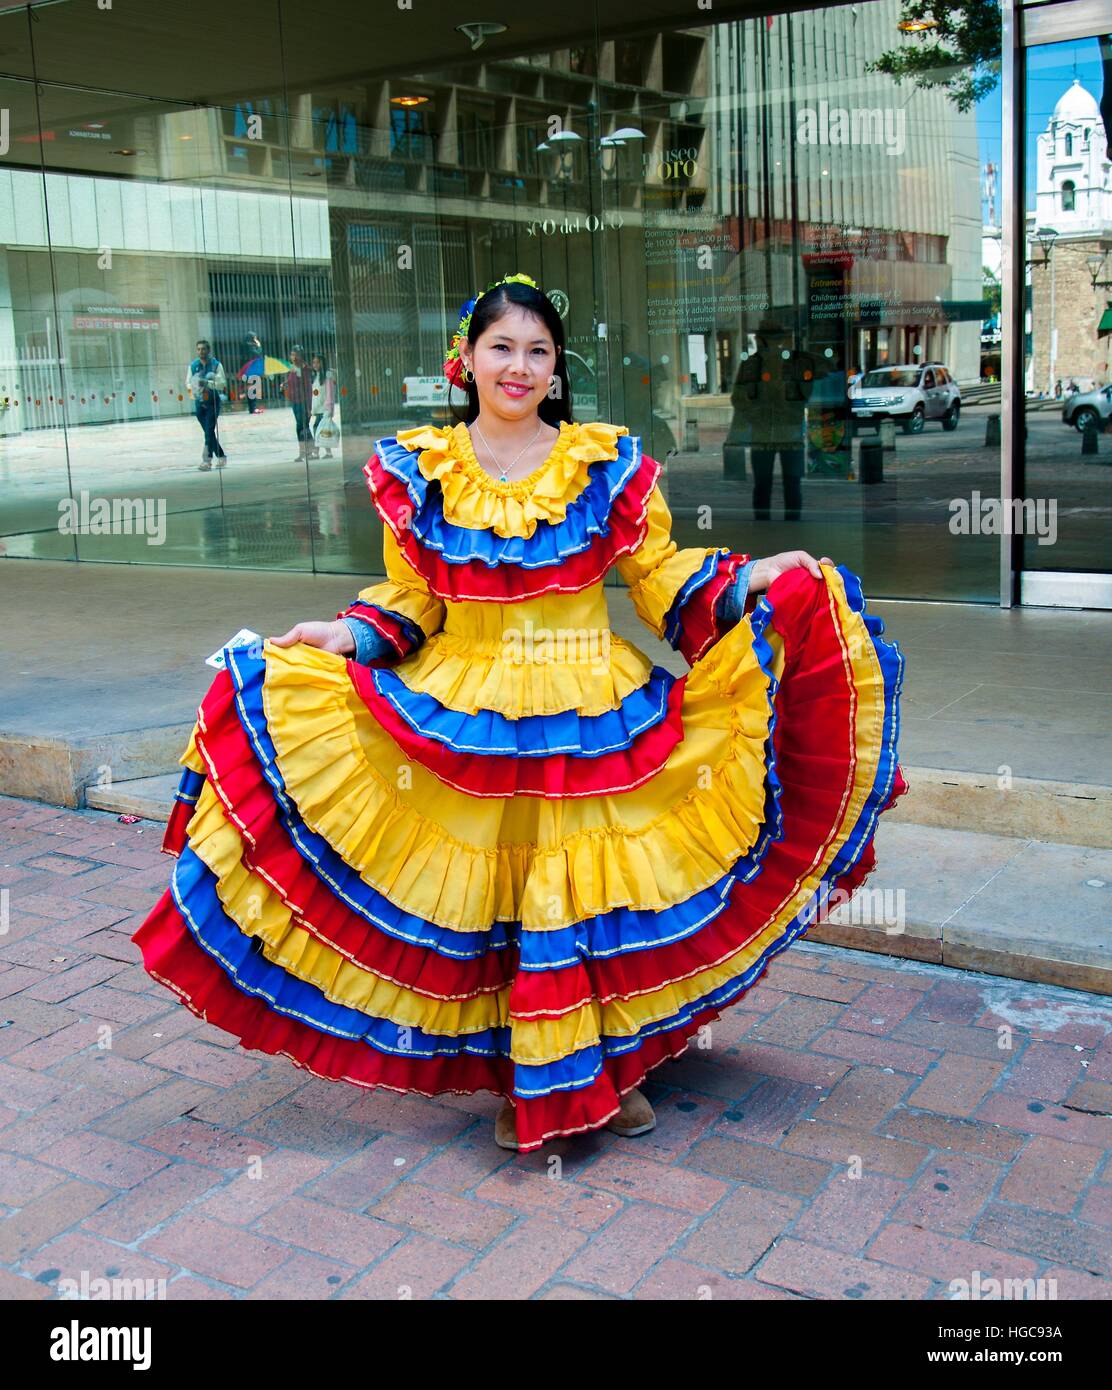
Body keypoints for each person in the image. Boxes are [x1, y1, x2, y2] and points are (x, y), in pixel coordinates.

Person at [133, 272, 908, 1154]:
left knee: (589, 898)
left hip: (588, 706)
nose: (520, 366)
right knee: (494, 907)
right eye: (502, 347)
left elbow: (661, 587)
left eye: (538, 351)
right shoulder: (422, 470)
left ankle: (598, 1072)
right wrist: (343, 634)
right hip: (470, 711)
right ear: (465, 359)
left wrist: (756, 581)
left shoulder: (605, 465)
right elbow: (414, 601)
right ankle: (528, 1079)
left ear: (555, 367)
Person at [731, 313, 821, 520]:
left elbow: (805, 394)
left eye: (771, 339)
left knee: (792, 482)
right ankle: (763, 524)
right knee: (762, 483)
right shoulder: (750, 365)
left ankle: (793, 524)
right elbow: (739, 397)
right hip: (763, 434)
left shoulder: (795, 363)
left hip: (789, 432)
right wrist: (756, 413)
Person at [187, 339, 228, 471]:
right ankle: (221, 456)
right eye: (198, 349)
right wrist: (194, 386)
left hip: (212, 402)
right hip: (199, 402)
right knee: (208, 432)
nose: (201, 352)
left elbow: (222, 383)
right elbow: (187, 382)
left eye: (203, 349)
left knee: (209, 430)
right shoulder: (193, 366)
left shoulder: (216, 365)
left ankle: (207, 460)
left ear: (208, 350)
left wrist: (207, 383)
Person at [284, 345, 315, 462]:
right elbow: (292, 381)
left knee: (303, 427)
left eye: (296, 354)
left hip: (303, 402)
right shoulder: (293, 368)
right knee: (299, 428)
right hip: (295, 401)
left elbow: (308, 389)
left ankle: (309, 451)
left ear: (301, 355)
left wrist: (308, 407)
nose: (293, 357)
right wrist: (286, 384)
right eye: (292, 354)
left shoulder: (304, 369)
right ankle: (304, 452)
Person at [309, 352, 337, 458]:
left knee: (318, 430)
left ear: (322, 363)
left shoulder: (327, 375)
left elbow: (330, 393)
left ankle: (317, 453)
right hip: (318, 409)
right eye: (314, 362)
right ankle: (327, 452)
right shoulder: (316, 376)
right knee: (321, 431)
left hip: (325, 409)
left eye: (317, 362)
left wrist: (329, 409)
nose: (315, 365)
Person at [240, 331, 266, 413]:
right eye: (255, 338)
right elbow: (258, 354)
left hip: (249, 370)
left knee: (252, 388)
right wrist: (259, 346)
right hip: (251, 370)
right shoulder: (250, 346)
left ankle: (252, 407)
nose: (256, 339)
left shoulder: (246, 346)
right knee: (252, 389)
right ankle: (252, 408)